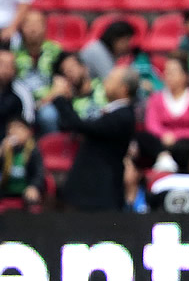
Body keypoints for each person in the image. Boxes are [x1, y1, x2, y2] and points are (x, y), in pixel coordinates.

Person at [55, 66, 138, 210]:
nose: (105, 82)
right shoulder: (114, 112)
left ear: (124, 89)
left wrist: (61, 99)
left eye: (111, 80)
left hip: (101, 192)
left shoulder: (123, 115)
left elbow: (81, 126)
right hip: (90, 189)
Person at [145, 53, 189, 147]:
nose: (168, 75)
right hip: (161, 144)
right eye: (166, 71)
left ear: (186, 76)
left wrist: (175, 136)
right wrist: (165, 136)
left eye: (173, 72)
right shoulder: (155, 98)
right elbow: (152, 125)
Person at [0, 116, 43, 207]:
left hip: (25, 192)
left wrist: (34, 186)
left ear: (28, 132)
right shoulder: (5, 149)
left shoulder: (33, 151)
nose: (13, 131)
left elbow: (39, 173)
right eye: (11, 128)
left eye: (18, 127)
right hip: (6, 191)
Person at [0, 50, 33, 131]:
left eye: (10, 65)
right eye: (2, 64)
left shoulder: (21, 92)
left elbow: (27, 119)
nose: (6, 69)